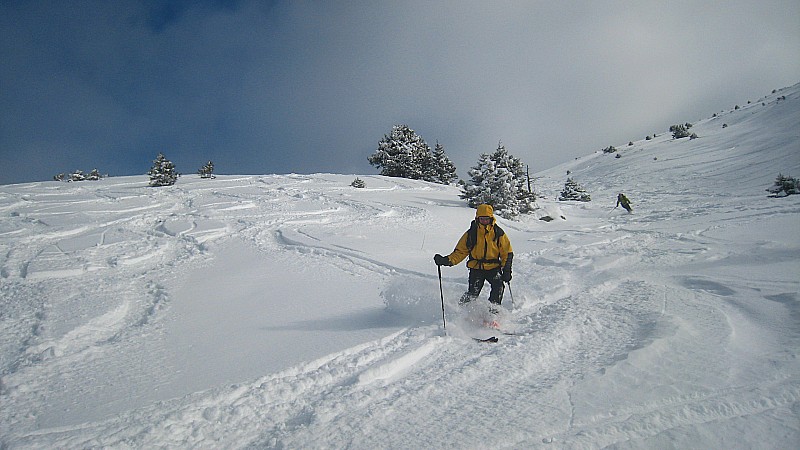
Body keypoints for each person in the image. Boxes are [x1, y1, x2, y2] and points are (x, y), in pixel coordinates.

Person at [434, 204, 513, 315]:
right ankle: (462, 310)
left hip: (493, 267)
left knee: (498, 287)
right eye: (482, 219)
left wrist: (507, 270)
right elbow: (460, 252)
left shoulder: (498, 233)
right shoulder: (471, 233)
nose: (484, 221)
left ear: (491, 218)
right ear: (477, 219)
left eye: (487, 219)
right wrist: (447, 260)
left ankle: (493, 314)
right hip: (476, 268)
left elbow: (507, 253)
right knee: (473, 292)